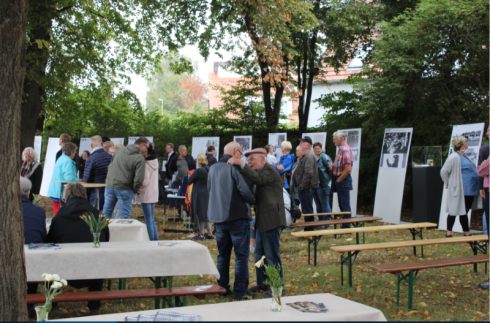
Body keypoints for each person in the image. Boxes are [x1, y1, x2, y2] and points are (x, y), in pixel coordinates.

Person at [228, 148, 286, 298]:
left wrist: (240, 162)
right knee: (259, 254)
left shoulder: (270, 171)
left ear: (263, 158)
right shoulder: (260, 172)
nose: (250, 162)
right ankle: (263, 283)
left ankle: (277, 288)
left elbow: (259, 180)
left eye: (252, 159)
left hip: (271, 219)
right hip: (262, 219)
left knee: (271, 255)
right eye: (248, 160)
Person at [46, 182, 109, 315]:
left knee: (50, 260)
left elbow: (49, 242)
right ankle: (94, 307)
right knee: (97, 259)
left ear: (66, 197)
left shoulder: (59, 218)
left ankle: (53, 302)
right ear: (84, 195)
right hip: (93, 271)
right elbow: (106, 240)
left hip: (63, 270)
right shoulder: (97, 215)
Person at [207, 142, 255, 300]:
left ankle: (222, 288)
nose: (241, 156)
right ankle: (240, 291)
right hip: (237, 216)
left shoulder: (213, 168)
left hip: (218, 218)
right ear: (235, 152)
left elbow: (210, 189)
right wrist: (253, 200)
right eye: (241, 153)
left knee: (222, 255)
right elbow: (245, 191)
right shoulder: (234, 167)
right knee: (241, 256)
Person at [440, 136, 478, 238]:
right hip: (461, 189)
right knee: (455, 209)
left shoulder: (465, 156)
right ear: (461, 145)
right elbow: (444, 171)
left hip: (470, 189)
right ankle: (449, 232)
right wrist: (448, 182)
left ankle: (466, 232)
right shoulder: (454, 157)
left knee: (464, 211)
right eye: (466, 141)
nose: (467, 142)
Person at [103, 137, 148, 219]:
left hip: (110, 185)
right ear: (141, 145)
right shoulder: (139, 158)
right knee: (124, 217)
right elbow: (139, 178)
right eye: (147, 147)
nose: (147, 150)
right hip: (125, 188)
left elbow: (110, 166)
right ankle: (121, 231)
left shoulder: (119, 150)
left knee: (106, 213)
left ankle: (101, 231)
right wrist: (134, 190)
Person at [21, 177, 47, 318]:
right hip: (34, 259)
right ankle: (29, 305)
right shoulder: (38, 211)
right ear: (28, 192)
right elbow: (43, 237)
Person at [134, 143, 159, 241]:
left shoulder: (145, 163)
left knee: (148, 219)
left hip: (146, 193)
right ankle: (155, 239)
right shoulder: (154, 161)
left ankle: (151, 241)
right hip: (153, 192)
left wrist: (137, 190)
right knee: (151, 219)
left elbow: (144, 181)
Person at [329, 131, 354, 229]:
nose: (333, 141)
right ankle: (344, 225)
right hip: (340, 179)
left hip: (343, 180)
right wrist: (333, 165)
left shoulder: (345, 149)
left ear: (340, 138)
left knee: (345, 204)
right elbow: (342, 166)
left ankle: (346, 227)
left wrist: (339, 180)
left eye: (334, 139)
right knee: (342, 204)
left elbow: (348, 169)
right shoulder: (340, 149)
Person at [47, 142, 79, 215]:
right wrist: (78, 180)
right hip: (61, 193)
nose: (75, 153)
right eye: (75, 151)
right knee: (63, 215)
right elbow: (69, 178)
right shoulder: (67, 161)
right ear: (71, 152)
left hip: (56, 191)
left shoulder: (61, 158)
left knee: (57, 214)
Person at [295, 136, 319, 232]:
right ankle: (308, 228)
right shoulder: (306, 155)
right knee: (306, 209)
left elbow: (309, 173)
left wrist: (301, 186)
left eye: (302, 142)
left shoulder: (309, 156)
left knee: (307, 210)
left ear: (307, 145)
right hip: (304, 188)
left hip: (306, 188)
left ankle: (309, 230)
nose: (300, 144)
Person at [83, 136, 112, 210]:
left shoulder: (91, 158)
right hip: (110, 190)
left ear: (91, 145)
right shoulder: (110, 157)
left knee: (94, 217)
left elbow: (86, 179)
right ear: (102, 144)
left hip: (97, 192)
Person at [188, 153, 213, 240]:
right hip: (206, 192)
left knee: (200, 214)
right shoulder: (209, 169)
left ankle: (202, 234)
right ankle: (210, 233)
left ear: (198, 161)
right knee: (205, 214)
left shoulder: (199, 170)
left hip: (198, 193)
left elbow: (189, 180)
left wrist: (190, 176)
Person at [312, 142, 333, 225]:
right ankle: (320, 222)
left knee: (324, 203)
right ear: (313, 150)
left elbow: (330, 169)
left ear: (321, 149)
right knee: (318, 204)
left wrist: (328, 182)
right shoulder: (313, 158)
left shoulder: (324, 157)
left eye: (318, 148)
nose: (317, 150)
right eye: (315, 149)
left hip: (323, 184)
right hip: (315, 184)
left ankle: (326, 223)